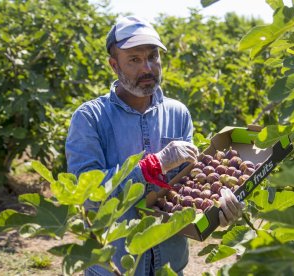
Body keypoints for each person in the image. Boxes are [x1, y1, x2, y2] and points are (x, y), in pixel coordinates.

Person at [65, 15, 243, 276]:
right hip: (114, 268)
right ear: (114, 65)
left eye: (153, 56)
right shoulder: (90, 118)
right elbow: (88, 198)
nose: (147, 68)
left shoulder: (178, 114)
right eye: (134, 60)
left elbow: (185, 189)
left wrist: (218, 209)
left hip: (169, 268)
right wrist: (152, 166)